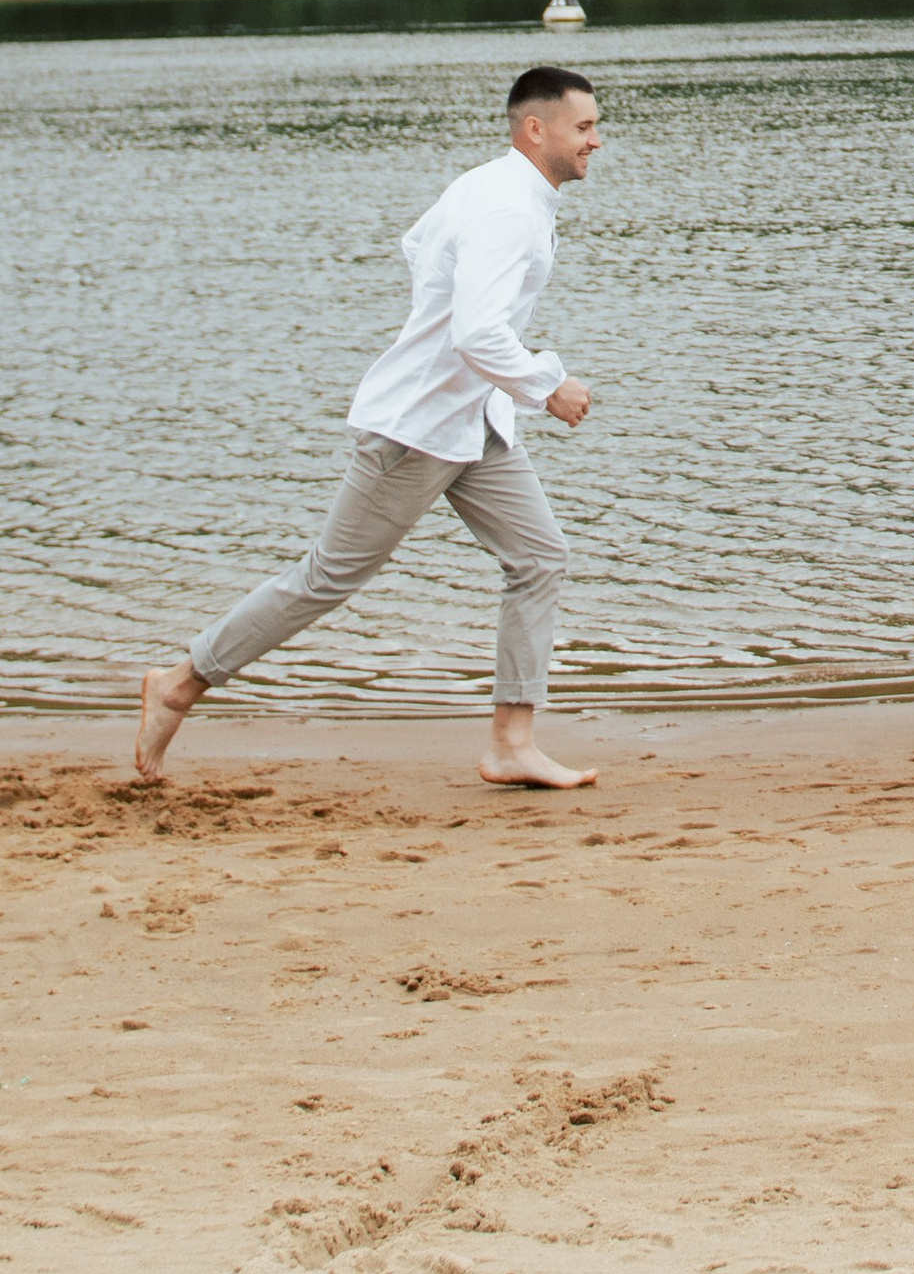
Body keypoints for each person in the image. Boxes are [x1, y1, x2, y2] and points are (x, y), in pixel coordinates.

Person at [134, 64, 605, 792]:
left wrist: (454, 332)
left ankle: (513, 742)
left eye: (596, 127)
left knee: (539, 557)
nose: (596, 141)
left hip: (472, 421)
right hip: (417, 429)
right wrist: (549, 387)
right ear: (535, 128)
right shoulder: (509, 208)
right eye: (584, 127)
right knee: (327, 577)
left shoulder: (489, 186)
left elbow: (419, 246)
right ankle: (179, 682)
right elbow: (477, 333)